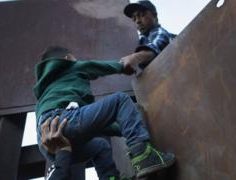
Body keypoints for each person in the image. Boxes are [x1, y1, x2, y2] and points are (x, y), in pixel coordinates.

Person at [34, 46, 175, 179]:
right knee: (120, 100)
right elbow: (94, 67)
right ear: (68, 58)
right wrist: (121, 67)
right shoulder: (70, 67)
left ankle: (110, 178)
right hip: (64, 119)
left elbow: (96, 124)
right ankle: (143, 154)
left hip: (49, 147)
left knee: (101, 146)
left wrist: (123, 128)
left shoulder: (46, 93)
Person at [121, 0, 175, 71]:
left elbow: (156, 45)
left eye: (142, 15)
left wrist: (135, 58)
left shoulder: (160, 32)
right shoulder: (143, 41)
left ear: (155, 16)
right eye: (134, 18)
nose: (137, 21)